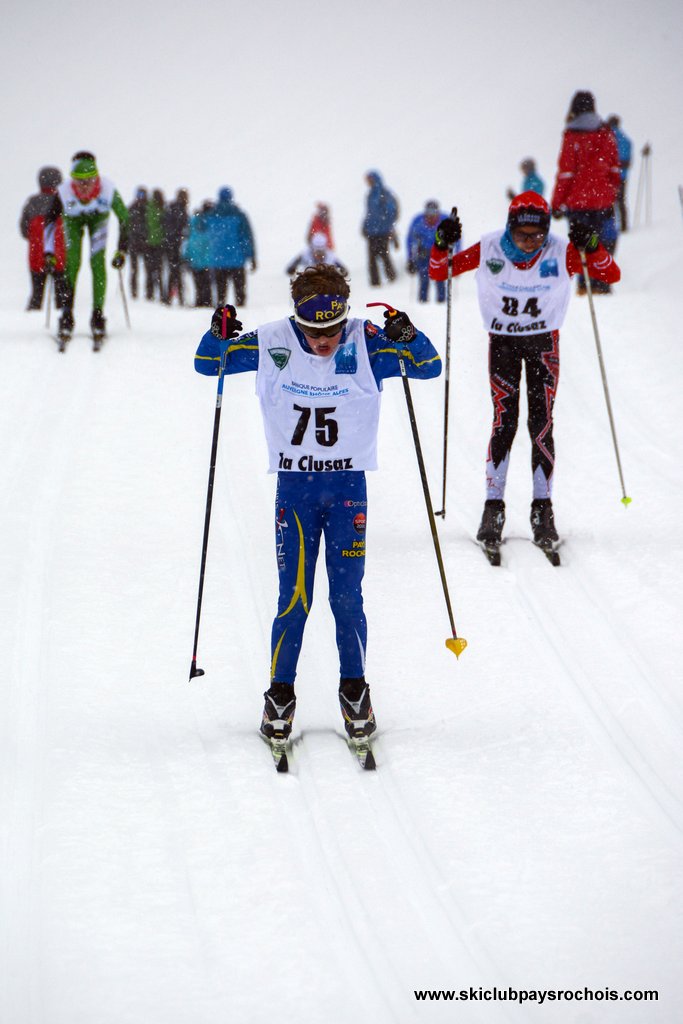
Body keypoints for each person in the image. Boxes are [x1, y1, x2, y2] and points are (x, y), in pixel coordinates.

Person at [194, 264, 441, 745]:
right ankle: (279, 696)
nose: (324, 341)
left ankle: (355, 691)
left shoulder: (367, 342)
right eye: (312, 330)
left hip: (348, 492)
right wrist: (216, 332)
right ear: (296, 319)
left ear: (344, 316)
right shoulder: (271, 343)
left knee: (347, 600)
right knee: (295, 600)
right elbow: (209, 363)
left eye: (330, 329)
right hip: (297, 493)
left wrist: (408, 334)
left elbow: (428, 366)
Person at [429, 192, 620, 553]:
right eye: (523, 235)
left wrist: (592, 246)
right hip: (502, 343)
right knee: (505, 422)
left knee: (541, 424)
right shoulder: (489, 249)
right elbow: (441, 270)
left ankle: (542, 509)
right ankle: (493, 508)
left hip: (544, 345)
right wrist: (442, 242)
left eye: (538, 235)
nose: (531, 243)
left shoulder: (560, 250)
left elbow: (610, 273)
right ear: (510, 229)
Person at [44, 151, 128, 343]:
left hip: (98, 219)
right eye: (78, 182)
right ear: (71, 180)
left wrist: (122, 250)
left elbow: (125, 219)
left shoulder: (108, 189)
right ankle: (66, 315)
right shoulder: (64, 191)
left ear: (97, 178)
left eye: (89, 181)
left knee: (97, 263)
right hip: (73, 221)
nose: (83, 187)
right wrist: (49, 253)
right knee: (72, 263)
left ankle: (97, 316)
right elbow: (49, 221)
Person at [550, 91, 621, 296]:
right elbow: (614, 169)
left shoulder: (572, 136)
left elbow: (566, 174)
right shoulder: (606, 133)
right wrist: (611, 190)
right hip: (603, 201)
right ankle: (603, 280)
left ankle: (585, 283)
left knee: (582, 243)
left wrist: (556, 204)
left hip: (578, 203)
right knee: (603, 241)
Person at [19, 166, 68, 312]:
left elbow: (23, 229)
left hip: (36, 255)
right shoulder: (64, 202)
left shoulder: (32, 203)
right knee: (61, 296)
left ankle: (32, 320)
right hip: (60, 255)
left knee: (37, 294)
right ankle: (62, 318)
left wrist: (36, 240)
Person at [207, 187, 257, 307]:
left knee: (220, 293)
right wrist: (252, 256)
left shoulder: (211, 214)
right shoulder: (239, 214)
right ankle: (241, 312)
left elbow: (205, 236)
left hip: (218, 259)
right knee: (240, 293)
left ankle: (220, 314)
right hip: (237, 259)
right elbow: (247, 237)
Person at [406, 200, 451, 302]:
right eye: (428, 215)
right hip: (423, 254)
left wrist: (455, 254)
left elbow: (456, 239)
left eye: (434, 215)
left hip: (440, 254)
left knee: (440, 279)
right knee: (424, 279)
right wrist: (410, 258)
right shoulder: (418, 222)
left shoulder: (445, 221)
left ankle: (441, 301)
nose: (431, 218)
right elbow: (410, 240)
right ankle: (423, 301)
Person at [361, 170, 399, 286]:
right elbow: (369, 213)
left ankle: (392, 278)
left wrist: (389, 227)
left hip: (383, 231)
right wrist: (365, 225)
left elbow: (391, 212)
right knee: (372, 258)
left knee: (384, 255)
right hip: (371, 231)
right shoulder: (370, 194)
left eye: (370, 179)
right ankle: (375, 282)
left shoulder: (384, 193)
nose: (368, 182)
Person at [606, 115, 633, 232]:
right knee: (621, 200)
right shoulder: (625, 139)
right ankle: (624, 225)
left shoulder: (607, 138)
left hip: (610, 176)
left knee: (609, 201)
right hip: (623, 175)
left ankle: (611, 227)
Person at [164, 188, 189, 305]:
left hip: (170, 244)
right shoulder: (182, 210)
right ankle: (179, 297)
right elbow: (183, 228)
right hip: (177, 245)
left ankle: (169, 297)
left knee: (172, 272)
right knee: (177, 272)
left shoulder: (171, 208)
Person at [127, 188, 148, 300]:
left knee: (146, 269)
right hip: (135, 243)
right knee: (134, 269)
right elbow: (125, 227)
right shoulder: (132, 208)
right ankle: (134, 292)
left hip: (143, 243)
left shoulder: (146, 209)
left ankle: (147, 292)